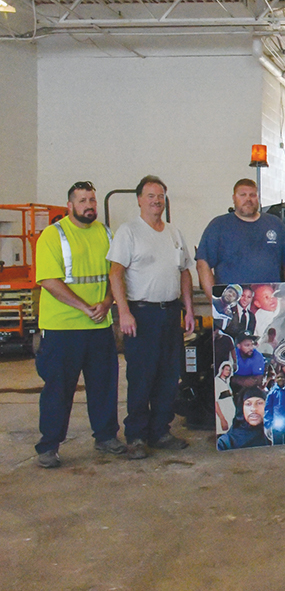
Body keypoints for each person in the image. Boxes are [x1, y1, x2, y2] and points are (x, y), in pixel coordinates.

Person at [33, 181, 125, 468]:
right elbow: (49, 280)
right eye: (83, 200)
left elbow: (115, 275)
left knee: (104, 386)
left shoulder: (105, 233)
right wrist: (85, 307)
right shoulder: (52, 235)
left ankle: (106, 437)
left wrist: (108, 301)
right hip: (63, 329)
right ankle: (48, 446)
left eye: (92, 200)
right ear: (70, 205)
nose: (89, 206)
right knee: (59, 389)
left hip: (99, 326)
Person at [108, 175, 195, 460]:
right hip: (141, 316)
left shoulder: (173, 232)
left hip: (170, 314)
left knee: (169, 376)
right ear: (139, 200)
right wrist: (123, 312)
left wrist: (189, 309)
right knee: (141, 377)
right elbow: (116, 273)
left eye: (160, 196)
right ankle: (136, 436)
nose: (156, 201)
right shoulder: (128, 232)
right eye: (150, 196)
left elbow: (184, 272)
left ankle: (160, 431)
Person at [195, 178, 285, 299]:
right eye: (242, 195)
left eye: (252, 195)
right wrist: (215, 301)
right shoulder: (218, 226)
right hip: (232, 302)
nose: (248, 199)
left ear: (257, 198)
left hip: (270, 301)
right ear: (234, 198)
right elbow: (202, 265)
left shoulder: (275, 224)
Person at [264, 370, 285, 444]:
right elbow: (268, 409)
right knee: (278, 443)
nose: (280, 379)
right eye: (278, 377)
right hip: (276, 423)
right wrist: (268, 425)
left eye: (282, 377)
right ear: (275, 379)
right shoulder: (272, 393)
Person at [214, 361, 235, 433]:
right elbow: (215, 402)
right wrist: (222, 419)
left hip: (229, 414)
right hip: (223, 414)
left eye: (229, 370)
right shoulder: (217, 381)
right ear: (222, 370)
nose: (228, 371)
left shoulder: (227, 382)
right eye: (226, 369)